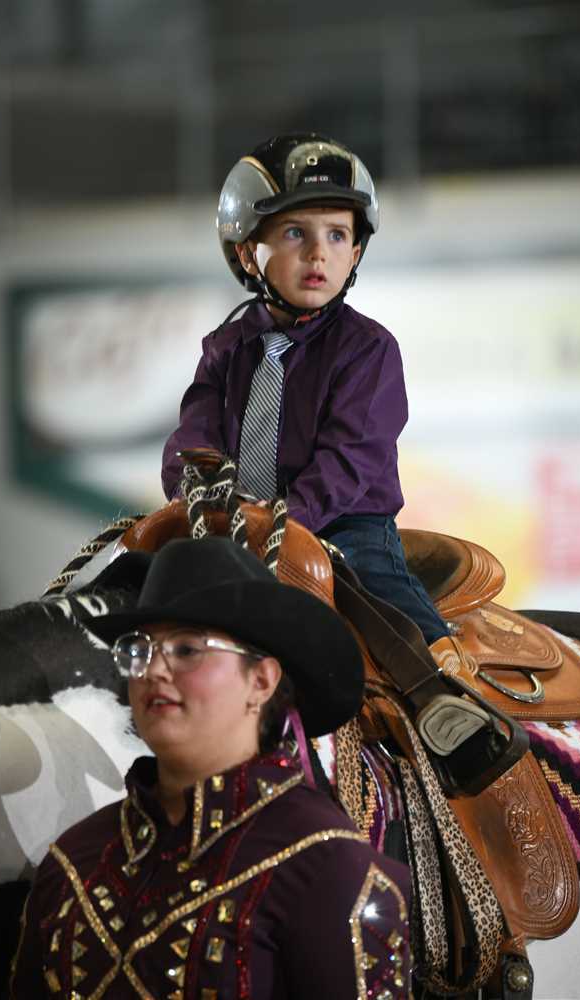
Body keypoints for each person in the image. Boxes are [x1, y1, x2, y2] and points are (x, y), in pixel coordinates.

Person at [9, 536, 411, 999]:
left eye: (186, 649)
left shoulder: (328, 868)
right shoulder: (73, 862)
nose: (153, 670)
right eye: (140, 651)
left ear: (261, 680)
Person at [161, 131, 454, 668]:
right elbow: (193, 436)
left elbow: (350, 457)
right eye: (295, 232)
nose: (319, 252)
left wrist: (282, 522)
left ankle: (446, 687)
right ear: (248, 253)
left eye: (338, 236)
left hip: (343, 525)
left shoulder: (368, 349)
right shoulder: (224, 349)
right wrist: (194, 495)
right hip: (238, 528)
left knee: (386, 604)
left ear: (356, 253)